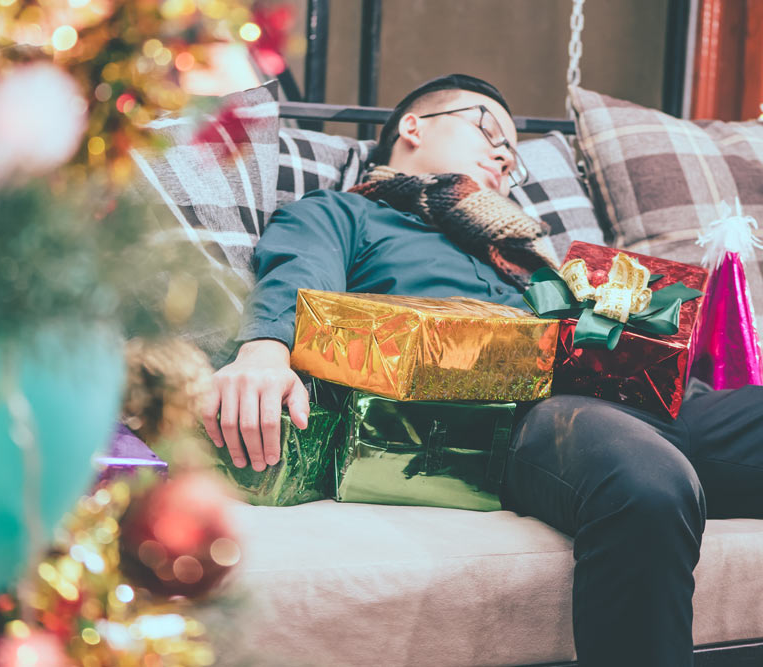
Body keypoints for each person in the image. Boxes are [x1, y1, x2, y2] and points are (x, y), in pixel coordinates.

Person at [201, 74, 763, 667]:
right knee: (648, 483)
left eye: (513, 152)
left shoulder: (526, 249)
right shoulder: (347, 213)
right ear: (412, 128)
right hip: (527, 408)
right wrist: (263, 349)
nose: (502, 152)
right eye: (487, 127)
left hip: (654, 394)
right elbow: (299, 269)